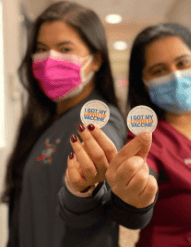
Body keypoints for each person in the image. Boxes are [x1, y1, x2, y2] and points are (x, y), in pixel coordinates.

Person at [63, 23, 191, 246]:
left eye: (182, 63)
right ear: (144, 82)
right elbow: (133, 208)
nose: (176, 76)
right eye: (159, 70)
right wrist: (132, 197)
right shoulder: (145, 138)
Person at [1, 1, 127, 246]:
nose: (50, 60)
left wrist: (93, 176)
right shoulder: (42, 121)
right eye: (41, 48)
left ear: (96, 60)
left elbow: (103, 152)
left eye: (65, 48)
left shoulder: (98, 119)